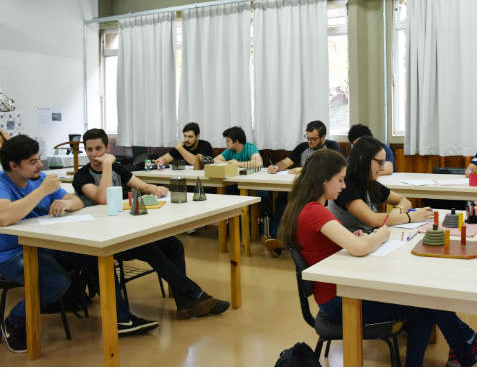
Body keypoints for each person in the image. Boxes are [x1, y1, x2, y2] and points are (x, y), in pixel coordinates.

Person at [278, 149, 477, 366]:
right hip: (340, 300)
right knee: (427, 306)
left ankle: (464, 356)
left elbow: (341, 243)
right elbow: (360, 248)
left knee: (427, 303)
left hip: (338, 291)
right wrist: (379, 234)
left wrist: (355, 237)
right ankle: (467, 358)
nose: (343, 186)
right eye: (340, 180)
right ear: (324, 181)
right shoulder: (316, 211)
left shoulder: (306, 208)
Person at [0, 135, 157, 353]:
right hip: (11, 254)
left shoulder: (39, 178)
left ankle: (121, 320)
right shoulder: (4, 184)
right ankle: (13, 321)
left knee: (96, 255)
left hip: (47, 245)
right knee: (57, 282)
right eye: (33, 161)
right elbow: (4, 217)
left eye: (38, 159)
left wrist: (65, 202)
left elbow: (77, 202)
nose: (39, 165)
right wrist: (42, 191)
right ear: (13, 166)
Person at [74, 128, 230, 320]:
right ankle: (195, 294)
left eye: (98, 148)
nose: (93, 154)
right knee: (150, 249)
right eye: (89, 150)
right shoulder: (82, 176)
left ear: (107, 147)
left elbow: (142, 185)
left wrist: (156, 189)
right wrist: (107, 165)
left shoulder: (117, 169)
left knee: (174, 245)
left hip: (123, 231)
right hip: (103, 240)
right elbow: (103, 198)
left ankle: (185, 302)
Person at [263, 121, 341, 257]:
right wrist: (276, 167)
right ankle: (277, 239)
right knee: (283, 200)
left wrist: (302, 169)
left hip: (323, 190)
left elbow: (333, 168)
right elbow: (286, 162)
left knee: (299, 205)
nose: (309, 142)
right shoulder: (303, 147)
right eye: (308, 138)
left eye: (313, 139)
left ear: (323, 137)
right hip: (303, 189)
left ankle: (290, 242)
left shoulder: (332, 146)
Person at [329, 136, 429, 234]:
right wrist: (411, 217)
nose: (382, 168)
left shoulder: (369, 182)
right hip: (347, 246)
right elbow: (372, 220)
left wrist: (396, 213)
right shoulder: (345, 184)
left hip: (369, 239)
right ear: (363, 159)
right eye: (380, 162)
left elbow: (404, 201)